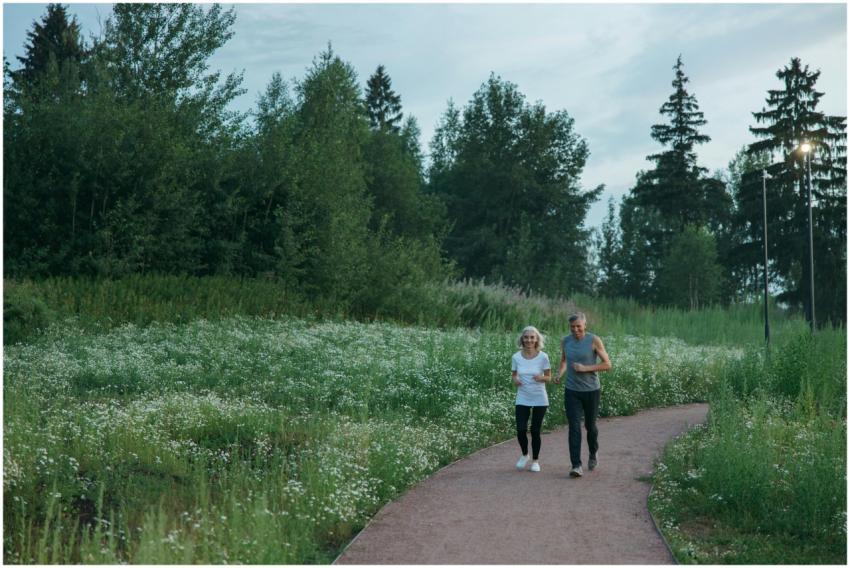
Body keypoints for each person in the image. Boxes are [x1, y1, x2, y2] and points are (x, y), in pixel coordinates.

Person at [554, 312, 612, 478]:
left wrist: (585, 368)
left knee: (590, 426)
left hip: (591, 390)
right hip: (572, 391)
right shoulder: (565, 341)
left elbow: (608, 364)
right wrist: (560, 374)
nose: (576, 330)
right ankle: (576, 465)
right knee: (574, 426)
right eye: (572, 327)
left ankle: (593, 453)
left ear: (585, 325)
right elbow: (564, 361)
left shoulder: (594, 340)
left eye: (579, 326)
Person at [511, 325, 551, 472]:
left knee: (535, 430)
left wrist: (542, 377)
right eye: (526, 337)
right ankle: (524, 454)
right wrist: (515, 380)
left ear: (536, 340)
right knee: (521, 429)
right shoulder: (516, 357)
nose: (529, 340)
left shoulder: (543, 357)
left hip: (539, 397)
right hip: (523, 396)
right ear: (522, 339)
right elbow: (514, 374)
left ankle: (535, 461)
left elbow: (548, 377)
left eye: (532, 337)